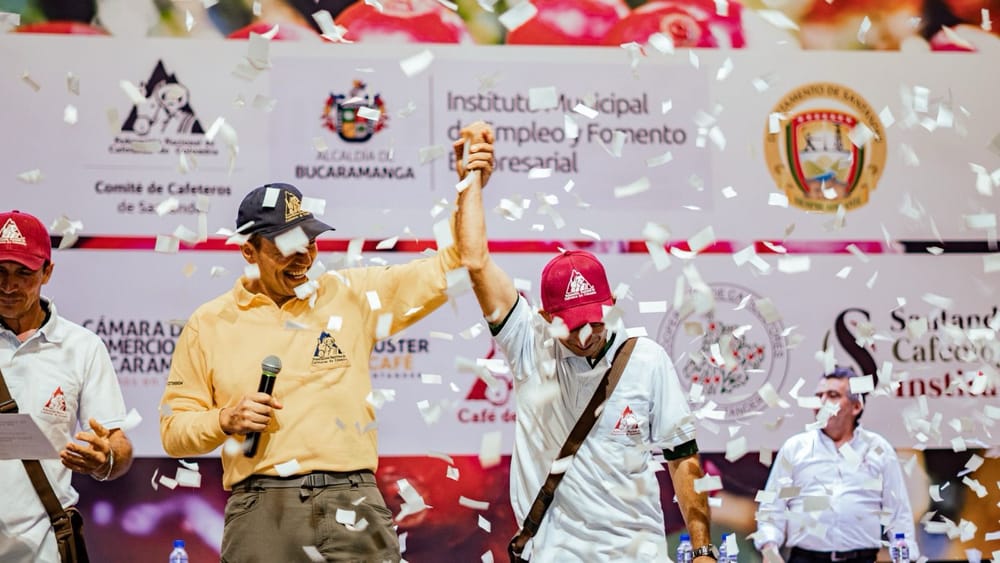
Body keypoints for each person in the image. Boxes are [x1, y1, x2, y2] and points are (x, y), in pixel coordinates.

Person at [159, 165, 494, 560]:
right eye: (287, 245)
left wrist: (470, 179)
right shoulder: (209, 323)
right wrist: (224, 420)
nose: (304, 257)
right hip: (261, 509)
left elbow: (463, 260)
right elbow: (173, 429)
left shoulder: (351, 295)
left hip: (353, 500)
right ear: (248, 250)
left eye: (311, 241)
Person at [453, 123, 715, 561]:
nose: (587, 333)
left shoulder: (647, 359)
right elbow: (475, 262)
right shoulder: (528, 344)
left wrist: (703, 549)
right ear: (545, 318)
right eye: (571, 325)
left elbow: (682, 456)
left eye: (594, 319)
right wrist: (471, 182)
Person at [0, 209, 133, 562]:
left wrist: (103, 459)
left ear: (47, 271)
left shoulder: (82, 347)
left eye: (23, 273)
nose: (9, 285)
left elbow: (117, 444)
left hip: (42, 549)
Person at [754, 366, 919, 563]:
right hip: (805, 558)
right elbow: (772, 508)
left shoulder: (878, 448)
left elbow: (899, 514)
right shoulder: (795, 448)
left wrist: (905, 556)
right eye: (819, 395)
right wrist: (769, 549)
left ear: (856, 406)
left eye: (832, 395)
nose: (822, 402)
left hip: (862, 559)